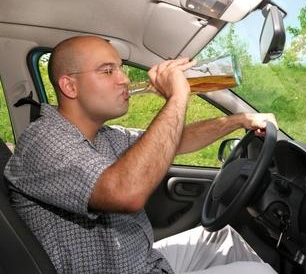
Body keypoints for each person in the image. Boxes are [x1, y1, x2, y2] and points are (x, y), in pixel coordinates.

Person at [4, 36, 278, 273]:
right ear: (70, 87)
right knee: (259, 271)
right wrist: (177, 97)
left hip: (141, 259)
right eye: (108, 71)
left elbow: (174, 141)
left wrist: (239, 120)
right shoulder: (44, 140)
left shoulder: (104, 135)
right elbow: (127, 193)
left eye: (121, 69)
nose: (124, 79)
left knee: (222, 239)